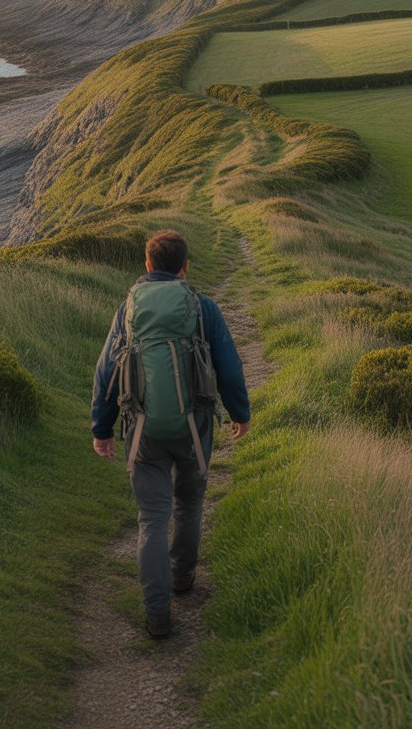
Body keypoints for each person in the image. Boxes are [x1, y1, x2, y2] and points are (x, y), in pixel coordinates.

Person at [91, 230, 251, 638]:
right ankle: (183, 579)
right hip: (195, 427)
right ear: (185, 267)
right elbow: (229, 367)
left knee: (151, 519)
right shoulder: (203, 308)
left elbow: (107, 372)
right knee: (189, 505)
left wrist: (102, 428)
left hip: (143, 430)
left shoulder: (128, 309)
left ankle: (157, 613)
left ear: (147, 265)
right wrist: (240, 413)